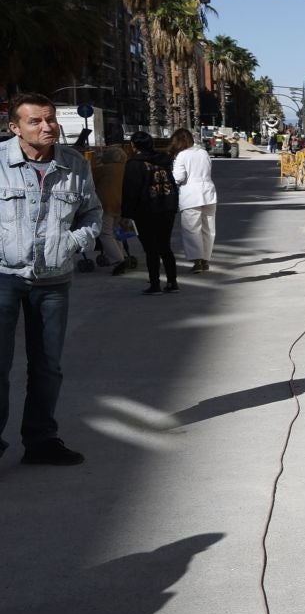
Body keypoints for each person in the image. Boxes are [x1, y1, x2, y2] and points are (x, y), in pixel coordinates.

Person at [0, 93, 102, 465]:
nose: (47, 127)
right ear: (14, 128)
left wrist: (71, 243)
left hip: (53, 280)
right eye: (35, 121)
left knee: (47, 365)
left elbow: (92, 212)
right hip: (3, 277)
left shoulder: (74, 164)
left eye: (51, 119)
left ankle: (41, 440)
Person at [122, 132, 180, 294]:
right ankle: (172, 282)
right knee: (165, 246)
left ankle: (155, 284)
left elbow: (130, 191)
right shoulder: (164, 160)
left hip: (146, 210)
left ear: (134, 146)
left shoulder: (134, 164)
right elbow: (172, 184)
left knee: (151, 249)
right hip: (167, 207)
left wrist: (126, 214)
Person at [169, 127, 218, 272]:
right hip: (208, 193)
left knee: (192, 229)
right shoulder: (203, 152)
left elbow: (179, 177)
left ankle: (197, 261)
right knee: (208, 228)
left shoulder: (181, 156)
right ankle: (205, 259)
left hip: (191, 195)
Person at [89, 142, 137, 275]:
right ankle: (120, 256)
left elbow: (89, 181)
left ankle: (118, 260)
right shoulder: (127, 168)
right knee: (117, 233)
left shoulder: (103, 169)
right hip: (124, 204)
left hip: (106, 204)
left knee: (105, 233)